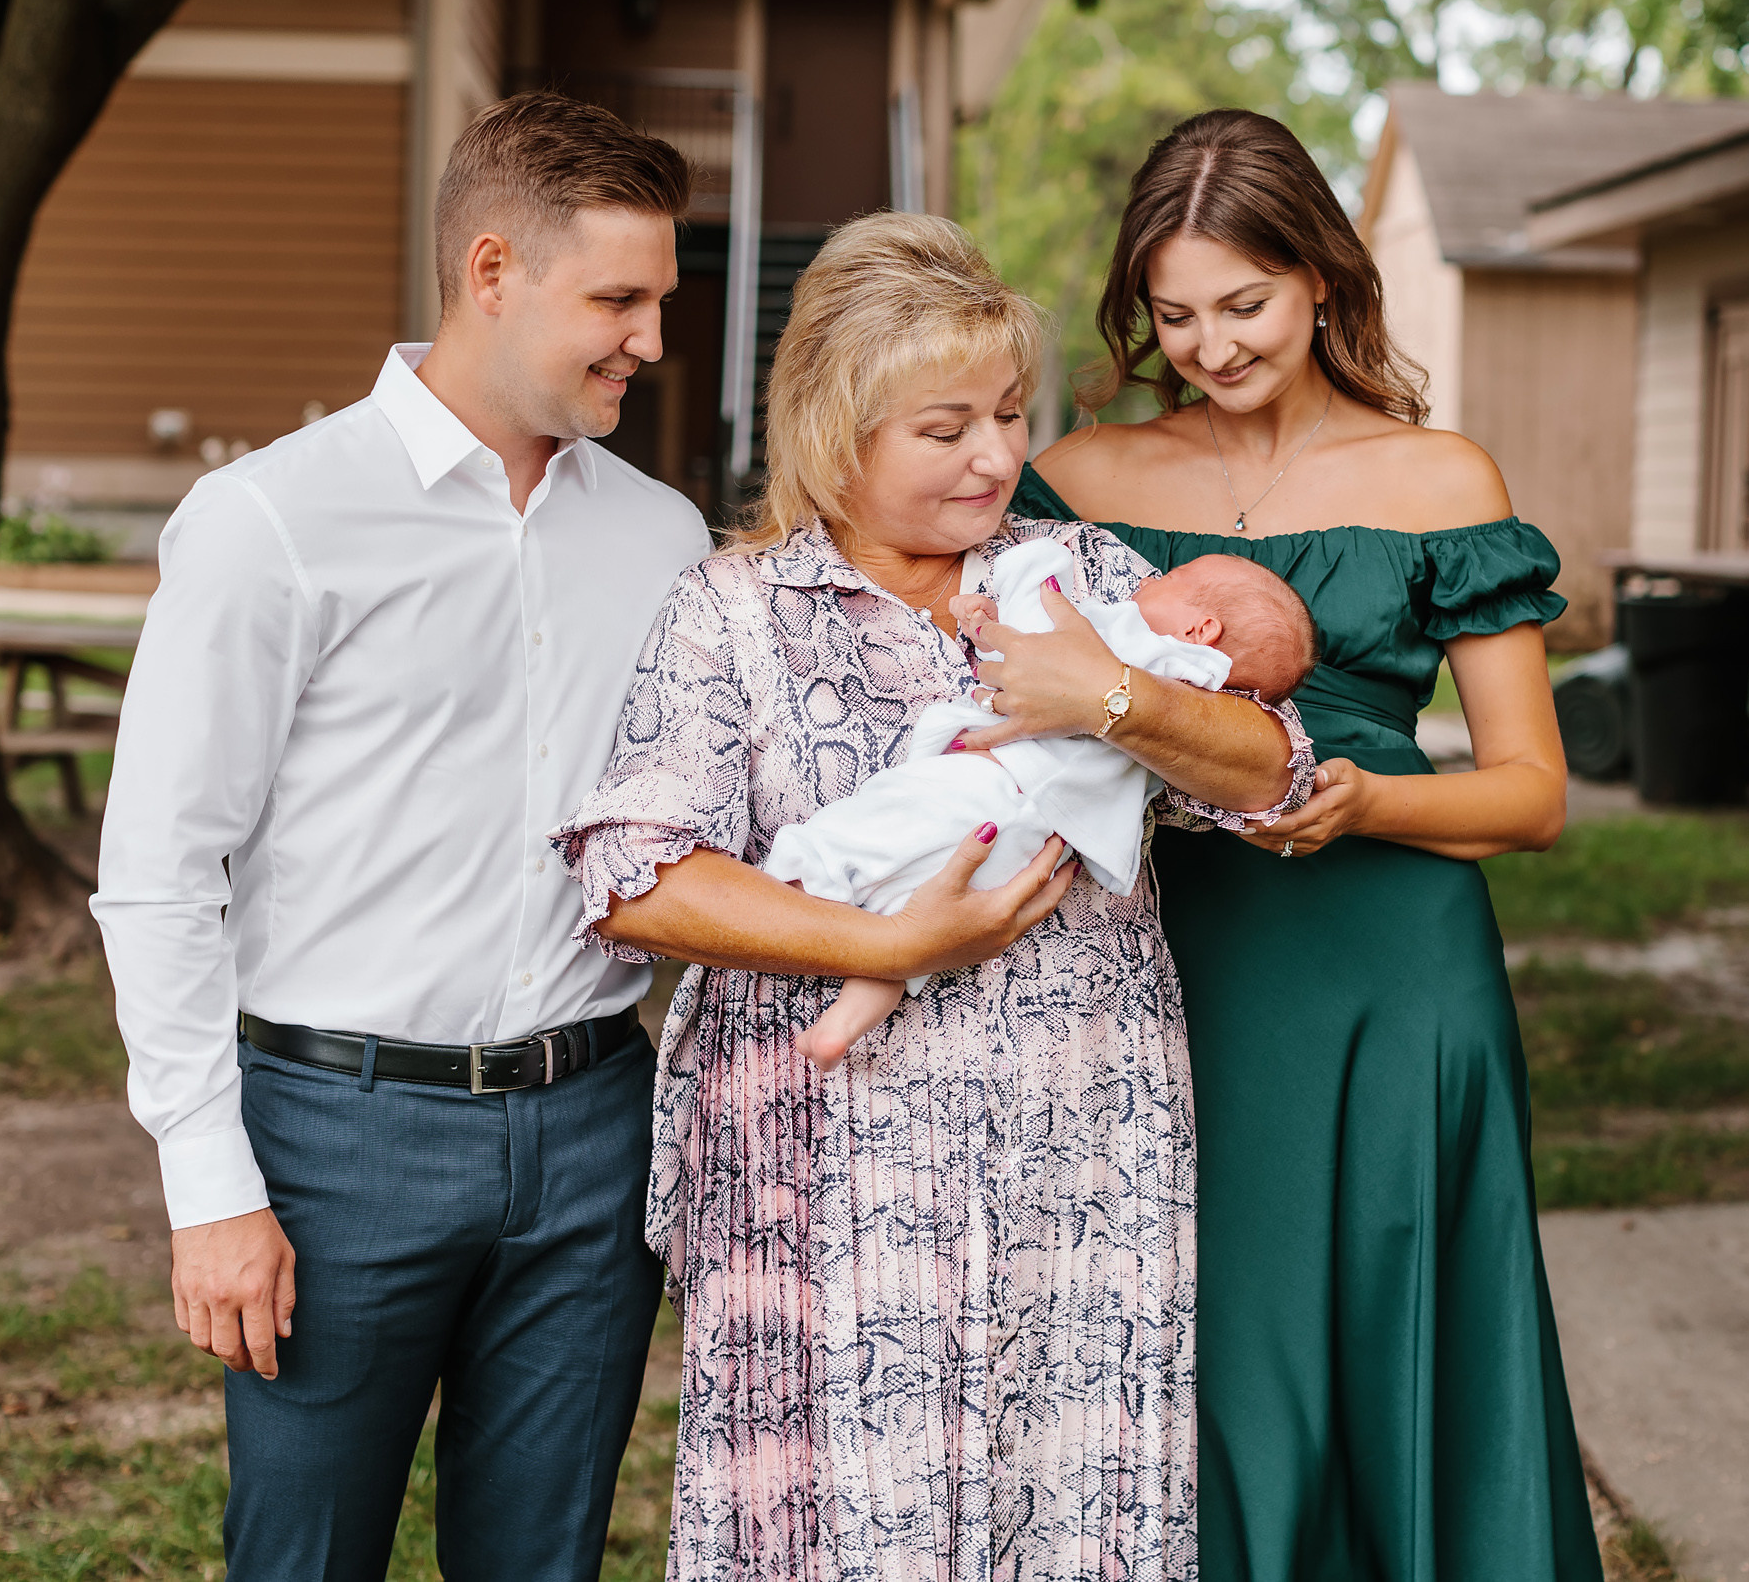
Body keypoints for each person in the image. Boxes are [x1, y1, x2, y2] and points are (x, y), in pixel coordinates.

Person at [552, 212, 1311, 1581]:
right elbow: (637, 876)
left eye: (1011, 412)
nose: (996, 455)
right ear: (839, 426)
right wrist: (892, 940)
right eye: (945, 425)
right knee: (855, 1514)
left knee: (1067, 1488)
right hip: (833, 1165)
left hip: (1081, 1147)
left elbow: (1272, 775)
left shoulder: (1074, 575)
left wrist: (1112, 694)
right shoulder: (731, 611)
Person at [91, 93, 715, 1581]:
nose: (649, 338)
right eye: (616, 299)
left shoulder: (665, 536)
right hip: (334, 1135)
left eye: (661, 302)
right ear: (491, 271)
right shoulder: (272, 521)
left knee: (541, 1562)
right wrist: (212, 1184)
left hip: (590, 1130)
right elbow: (159, 872)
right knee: (305, 1557)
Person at [1011, 109, 1605, 1581]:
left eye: (1244, 304)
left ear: (1323, 279)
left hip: (1396, 972)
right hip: (1167, 963)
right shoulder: (1078, 477)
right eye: (1174, 311)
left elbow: (1532, 791)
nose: (1209, 343)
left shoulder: (1440, 479)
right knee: (1224, 1340)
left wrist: (1366, 797)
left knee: (1401, 1330)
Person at [764, 536, 1315, 1069]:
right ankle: (842, 1026)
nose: (1146, 584)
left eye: (1168, 581)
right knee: (916, 928)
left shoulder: (1130, 640)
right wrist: (987, 627)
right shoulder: (1197, 693)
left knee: (865, 827)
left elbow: (1035, 633)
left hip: (990, 790)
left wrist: (1032, 565)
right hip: (1037, 841)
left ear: (1201, 627)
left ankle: (788, 889)